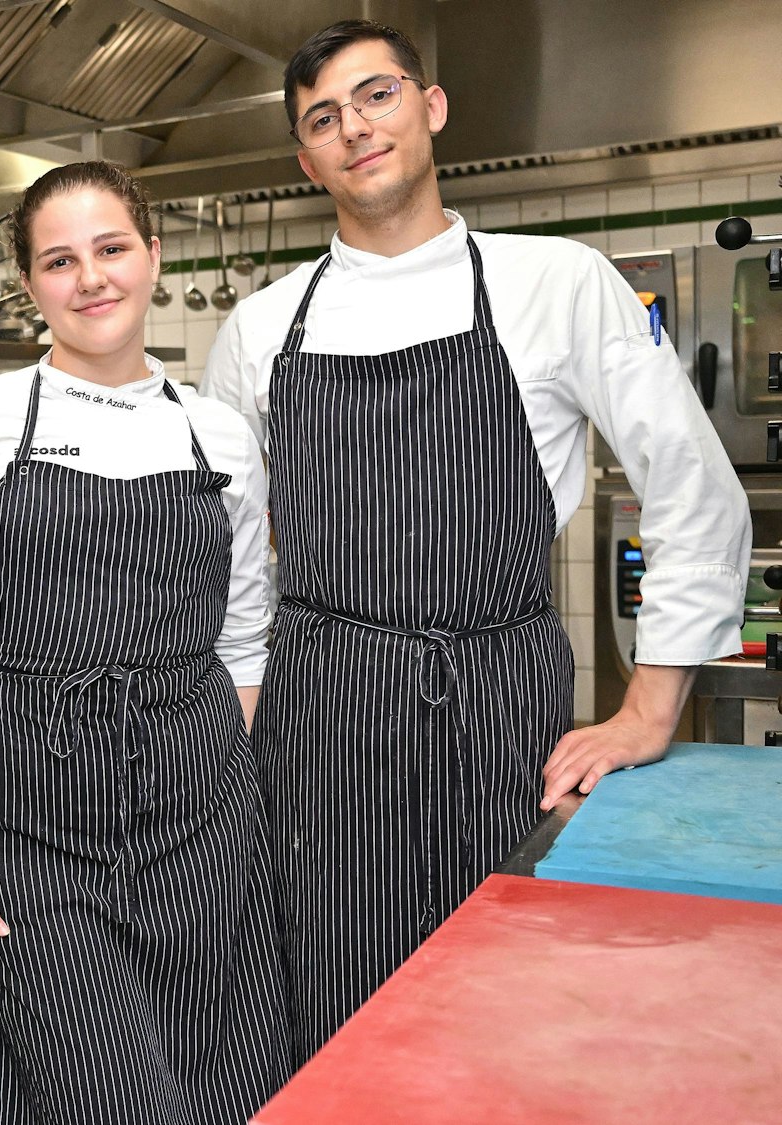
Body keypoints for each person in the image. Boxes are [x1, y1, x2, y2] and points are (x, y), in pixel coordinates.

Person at [202, 19, 752, 1062]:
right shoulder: (263, 326)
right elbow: (227, 552)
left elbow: (691, 484)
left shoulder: (555, 281)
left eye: (375, 96)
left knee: (508, 1005)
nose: (354, 129)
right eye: (322, 118)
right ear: (304, 157)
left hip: (497, 701)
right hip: (318, 722)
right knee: (334, 1009)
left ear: (430, 107)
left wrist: (648, 704)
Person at [0, 161, 290, 1124]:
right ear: (30, 285)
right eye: (60, 260)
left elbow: (243, 640)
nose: (91, 278)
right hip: (22, 826)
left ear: (152, 255)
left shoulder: (220, 437)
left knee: (224, 1084)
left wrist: (205, 784)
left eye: (110, 249)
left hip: (199, 829)